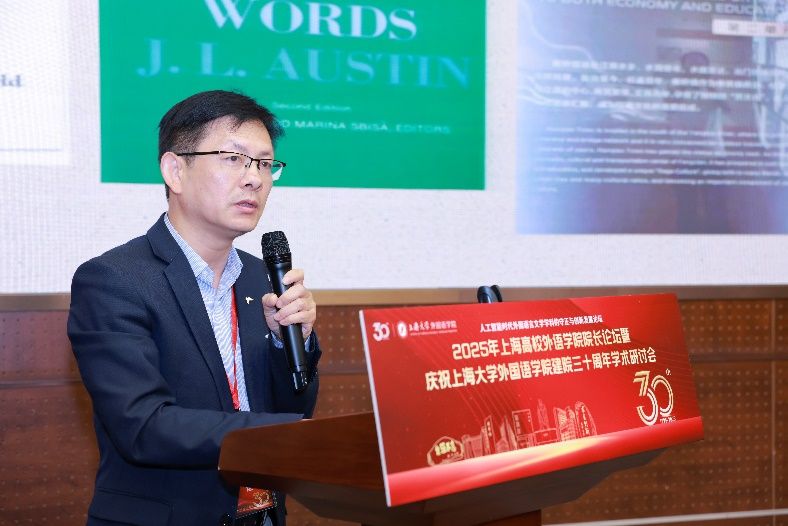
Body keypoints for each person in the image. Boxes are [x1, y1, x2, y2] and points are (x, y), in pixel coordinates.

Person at [67, 90, 321, 526]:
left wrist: (290, 344)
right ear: (175, 170)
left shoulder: (263, 279)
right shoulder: (114, 280)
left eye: (265, 164)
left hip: (262, 515)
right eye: (234, 158)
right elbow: (143, 426)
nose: (254, 179)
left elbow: (296, 406)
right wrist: (284, 432)